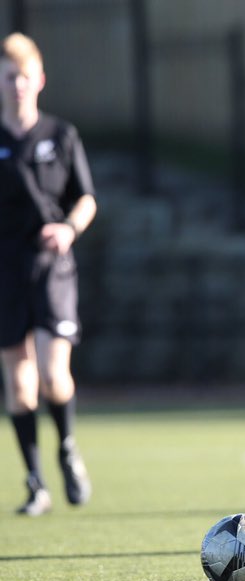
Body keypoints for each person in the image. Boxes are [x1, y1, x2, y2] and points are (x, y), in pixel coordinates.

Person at [1, 33, 95, 516]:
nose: (17, 84)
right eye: (8, 76)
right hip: (6, 272)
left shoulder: (61, 135)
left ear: (39, 80)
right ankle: (36, 483)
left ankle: (67, 448)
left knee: (53, 376)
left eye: (24, 76)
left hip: (52, 267)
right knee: (19, 386)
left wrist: (68, 228)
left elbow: (86, 199)